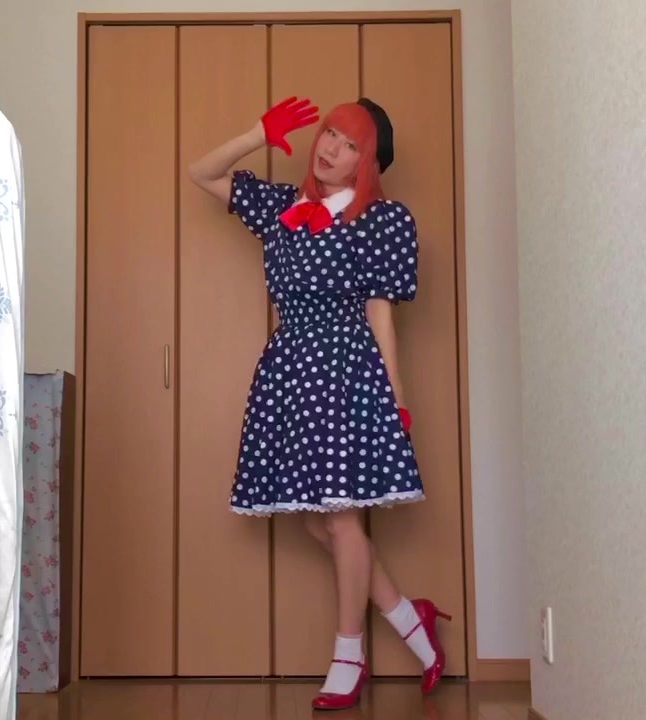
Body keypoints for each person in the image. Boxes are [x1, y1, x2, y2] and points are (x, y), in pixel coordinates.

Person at [187, 96, 452, 711]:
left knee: (338, 518)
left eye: (350, 144)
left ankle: (348, 654)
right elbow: (201, 172)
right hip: (288, 373)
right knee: (317, 519)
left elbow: (380, 314)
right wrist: (257, 133)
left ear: (368, 164)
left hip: (346, 372)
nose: (331, 148)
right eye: (330, 133)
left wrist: (397, 401)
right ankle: (412, 620)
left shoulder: (382, 220)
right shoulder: (281, 207)